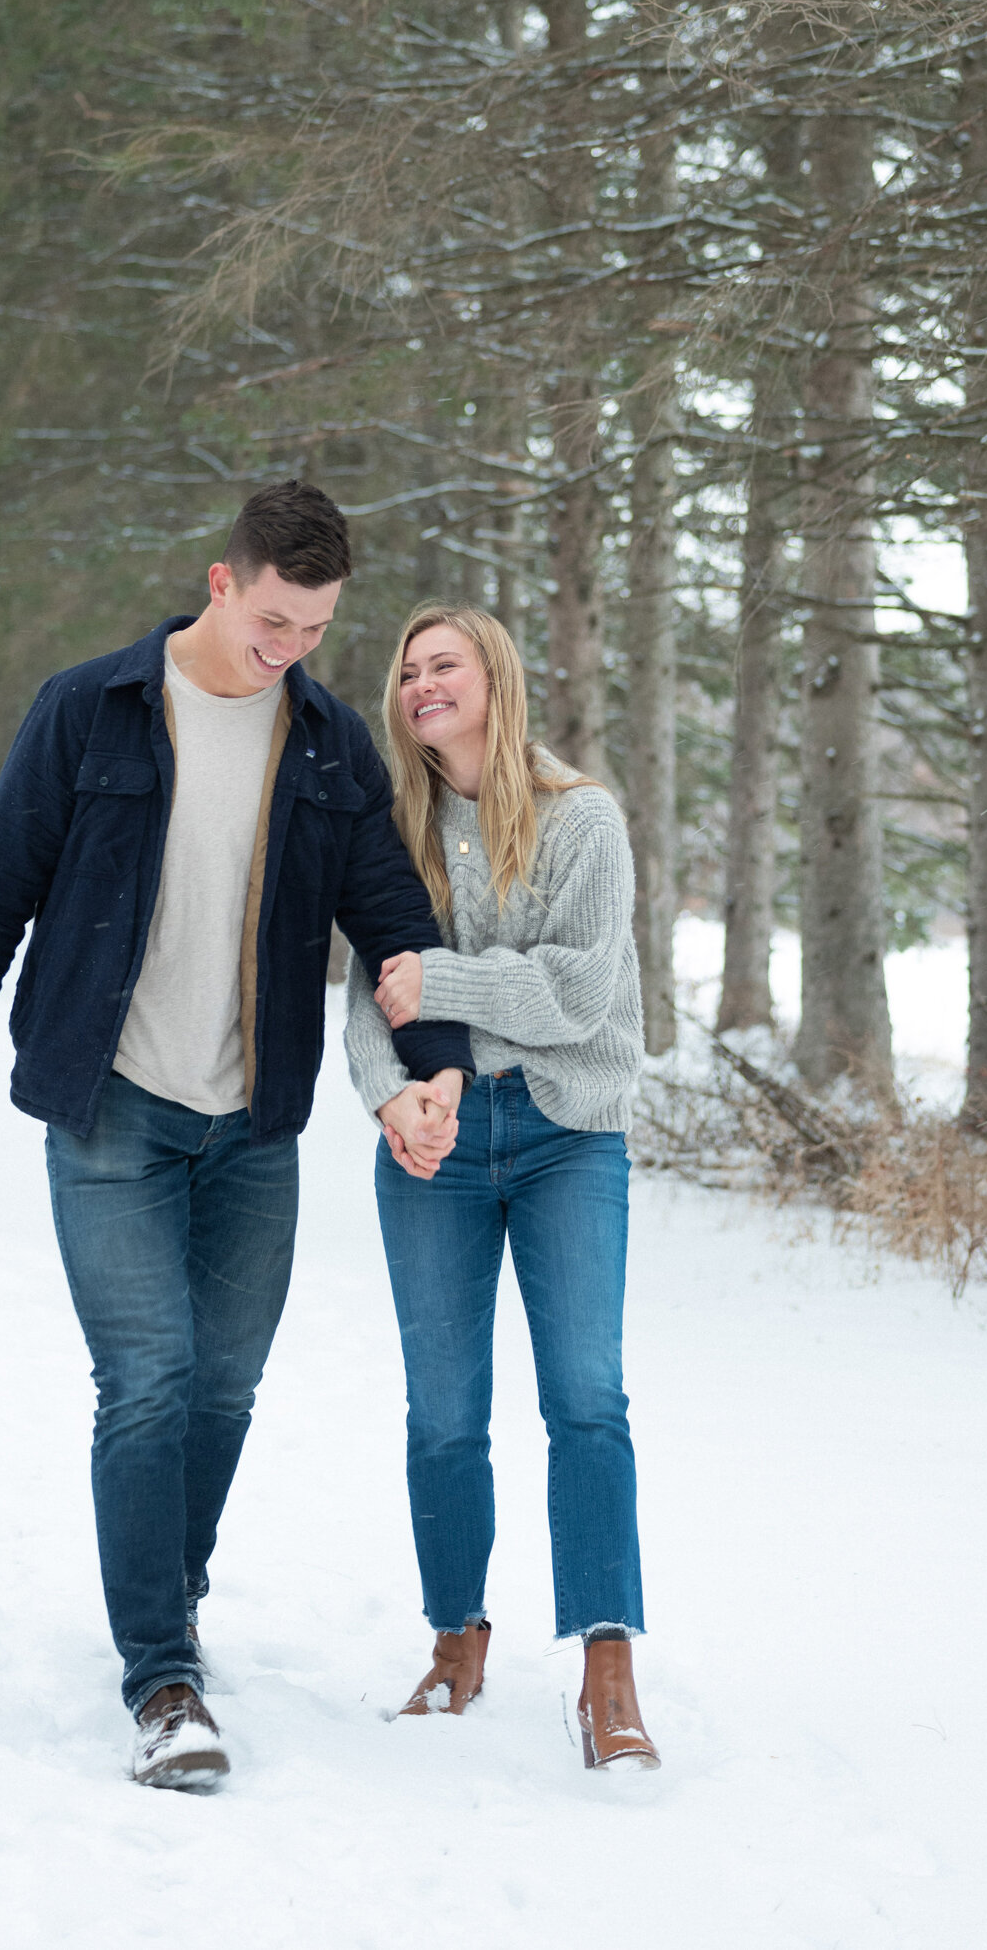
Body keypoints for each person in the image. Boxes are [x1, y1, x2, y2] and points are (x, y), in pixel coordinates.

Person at [0, 483, 471, 1793]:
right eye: (274, 618)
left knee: (222, 1385)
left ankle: (167, 1578)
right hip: (113, 1107)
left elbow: (394, 921)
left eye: (316, 628)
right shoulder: (89, 709)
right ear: (223, 581)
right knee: (147, 1376)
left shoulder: (327, 746)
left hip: (252, 1124)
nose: (291, 647)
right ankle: (163, 1677)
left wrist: (438, 1067)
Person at [344, 602, 660, 1771]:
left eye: (445, 664)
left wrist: (441, 983)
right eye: (407, 669)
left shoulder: (581, 820)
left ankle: (606, 1667)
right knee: (441, 1413)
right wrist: (392, 1100)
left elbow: (578, 994)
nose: (422, 682)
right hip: (435, 1140)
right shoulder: (391, 828)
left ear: (494, 679)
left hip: (567, 1133)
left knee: (585, 1400)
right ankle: (455, 1639)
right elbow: (365, 997)